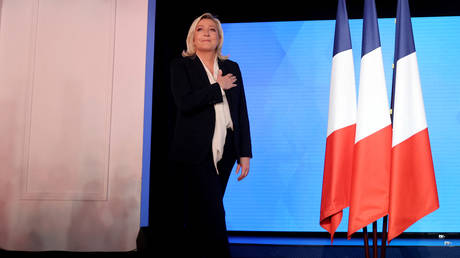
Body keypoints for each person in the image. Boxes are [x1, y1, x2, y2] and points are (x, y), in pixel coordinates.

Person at [169, 12, 252, 258]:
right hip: (195, 151)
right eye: (200, 29)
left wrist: (245, 153)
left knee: (202, 214)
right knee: (214, 212)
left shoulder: (231, 67)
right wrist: (217, 88)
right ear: (192, 38)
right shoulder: (181, 66)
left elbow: (241, 111)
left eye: (212, 30)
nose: (206, 33)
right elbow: (185, 103)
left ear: (219, 37)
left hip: (226, 149)